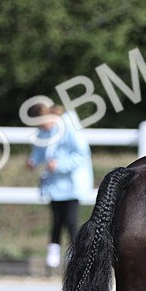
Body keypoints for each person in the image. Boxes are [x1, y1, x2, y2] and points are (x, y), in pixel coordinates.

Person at [25, 98, 93, 269]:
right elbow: (39, 150)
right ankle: (53, 254)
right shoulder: (44, 132)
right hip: (54, 185)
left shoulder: (69, 127)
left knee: (70, 220)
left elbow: (82, 154)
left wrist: (60, 165)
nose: (41, 128)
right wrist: (33, 161)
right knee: (56, 220)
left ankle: (75, 256)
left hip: (71, 184)